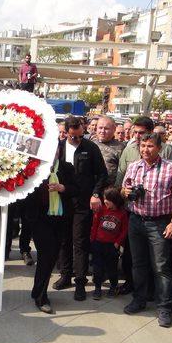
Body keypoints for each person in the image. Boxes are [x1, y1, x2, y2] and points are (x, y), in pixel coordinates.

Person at [121, 133, 172, 328]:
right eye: (142, 146)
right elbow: (125, 190)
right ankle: (139, 299)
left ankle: (165, 308)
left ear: (159, 148)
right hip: (136, 220)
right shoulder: (134, 166)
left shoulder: (171, 167)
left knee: (160, 267)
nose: (145, 150)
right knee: (138, 264)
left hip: (159, 223)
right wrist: (125, 192)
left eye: (149, 146)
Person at [53, 116, 108, 301]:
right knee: (63, 240)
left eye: (79, 136)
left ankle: (80, 281)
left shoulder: (90, 148)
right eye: (72, 136)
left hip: (83, 202)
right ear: (66, 133)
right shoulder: (58, 147)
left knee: (80, 242)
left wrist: (96, 193)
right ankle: (65, 275)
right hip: (61, 200)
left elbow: (102, 174)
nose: (76, 140)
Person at [23, 149, 78, 313]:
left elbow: (77, 189)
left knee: (52, 256)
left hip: (60, 218)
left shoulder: (66, 168)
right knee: (46, 255)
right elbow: (24, 192)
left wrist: (63, 188)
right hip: (39, 218)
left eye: (55, 149)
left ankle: (37, 290)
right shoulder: (34, 167)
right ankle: (41, 296)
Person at [90, 186, 127, 300]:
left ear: (115, 200)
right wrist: (93, 239)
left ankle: (113, 286)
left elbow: (124, 230)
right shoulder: (101, 210)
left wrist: (117, 243)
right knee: (97, 268)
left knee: (112, 268)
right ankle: (97, 288)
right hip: (98, 243)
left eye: (108, 199)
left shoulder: (122, 213)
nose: (105, 201)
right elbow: (95, 224)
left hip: (112, 246)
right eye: (104, 198)